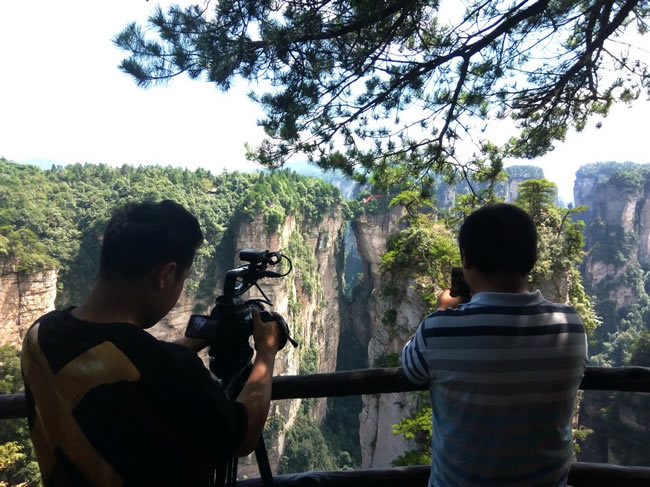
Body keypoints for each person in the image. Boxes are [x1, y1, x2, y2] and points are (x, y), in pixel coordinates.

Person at [21, 200, 283, 486]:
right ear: (165, 275)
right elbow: (244, 434)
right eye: (183, 279)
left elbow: (120, 364)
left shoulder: (40, 334)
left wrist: (190, 342)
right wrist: (266, 351)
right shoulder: (170, 368)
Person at [402, 203, 588, 487]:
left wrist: (442, 312)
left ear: (466, 259)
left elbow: (410, 368)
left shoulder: (439, 329)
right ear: (532, 258)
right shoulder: (571, 325)